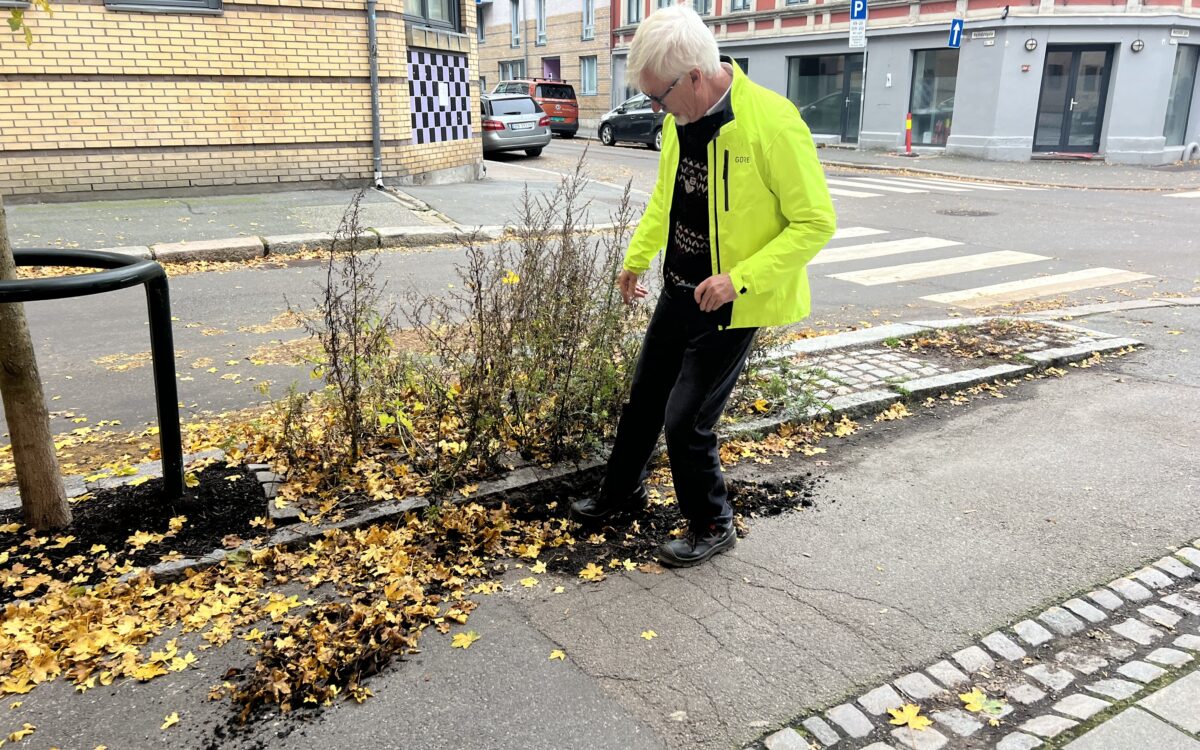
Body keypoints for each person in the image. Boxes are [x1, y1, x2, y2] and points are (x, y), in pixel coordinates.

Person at [569, 3, 836, 567]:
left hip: (732, 303)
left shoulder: (773, 123)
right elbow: (666, 200)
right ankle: (622, 494)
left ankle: (713, 523)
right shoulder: (678, 121)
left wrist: (741, 279)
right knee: (645, 399)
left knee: (685, 419)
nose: (654, 108)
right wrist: (635, 262)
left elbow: (815, 222)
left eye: (657, 97)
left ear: (693, 76)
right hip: (678, 288)